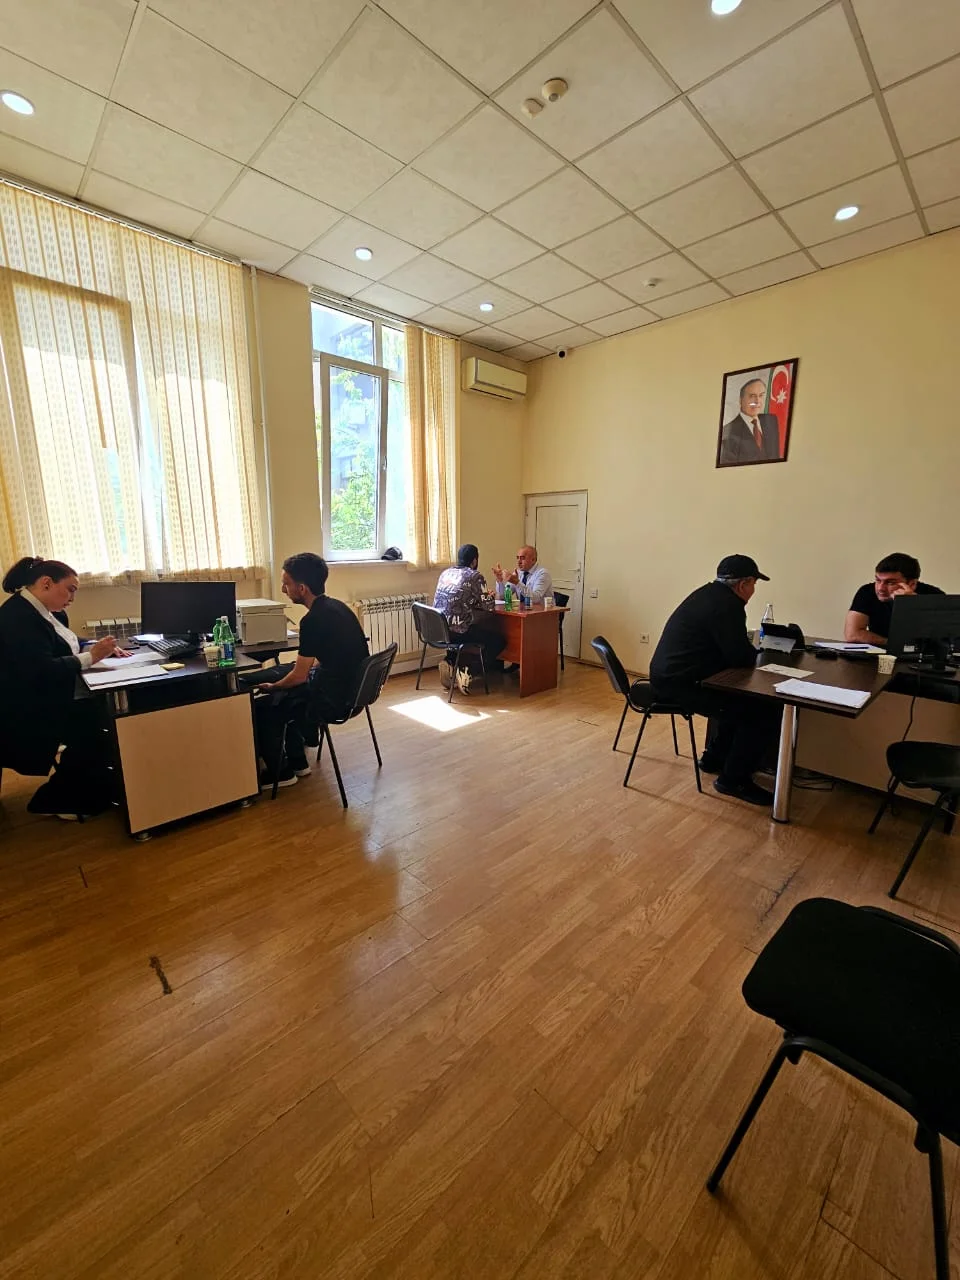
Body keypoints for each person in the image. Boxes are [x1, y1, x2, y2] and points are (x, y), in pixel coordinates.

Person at [649, 554, 781, 807]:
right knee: (763, 710)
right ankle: (733, 779)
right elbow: (740, 656)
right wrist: (760, 654)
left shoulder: (707, 594)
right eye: (754, 584)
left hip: (668, 676)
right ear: (743, 584)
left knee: (739, 698)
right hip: (681, 685)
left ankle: (715, 758)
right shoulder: (728, 605)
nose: (753, 590)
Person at [0, 555, 126, 818]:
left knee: (106, 716)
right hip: (30, 706)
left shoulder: (47, 611)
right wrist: (91, 657)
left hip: (55, 692)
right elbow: (41, 670)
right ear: (46, 583)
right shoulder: (17, 618)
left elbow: (66, 640)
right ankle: (59, 800)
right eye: (70, 589)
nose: (72, 598)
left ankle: (99, 784)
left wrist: (95, 646)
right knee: (98, 727)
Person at [242, 552, 369, 790]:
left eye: (286, 584)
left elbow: (299, 677)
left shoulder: (312, 620)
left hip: (333, 701)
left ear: (301, 588)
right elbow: (330, 656)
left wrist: (275, 686)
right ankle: (299, 763)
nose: (283, 589)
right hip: (351, 692)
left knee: (265, 705)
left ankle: (281, 773)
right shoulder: (338, 607)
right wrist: (293, 674)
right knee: (285, 676)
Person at [433, 543, 504, 693]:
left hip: (440, 630)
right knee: (498, 640)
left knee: (471, 628)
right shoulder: (475, 576)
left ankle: (450, 662)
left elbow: (460, 598)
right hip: (459, 631)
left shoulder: (446, 573)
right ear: (474, 560)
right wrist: (489, 596)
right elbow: (489, 606)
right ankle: (467, 672)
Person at [845, 552, 944, 645]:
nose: (880, 588)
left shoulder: (934, 596)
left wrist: (914, 604)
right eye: (878, 580)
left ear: (912, 584)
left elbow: (944, 640)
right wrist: (894, 645)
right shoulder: (867, 592)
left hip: (923, 656)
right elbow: (852, 634)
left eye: (890, 583)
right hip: (881, 652)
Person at [718, 378, 781, 465]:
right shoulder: (728, 431)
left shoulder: (771, 421)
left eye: (761, 395)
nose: (757, 401)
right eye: (752, 396)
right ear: (741, 400)